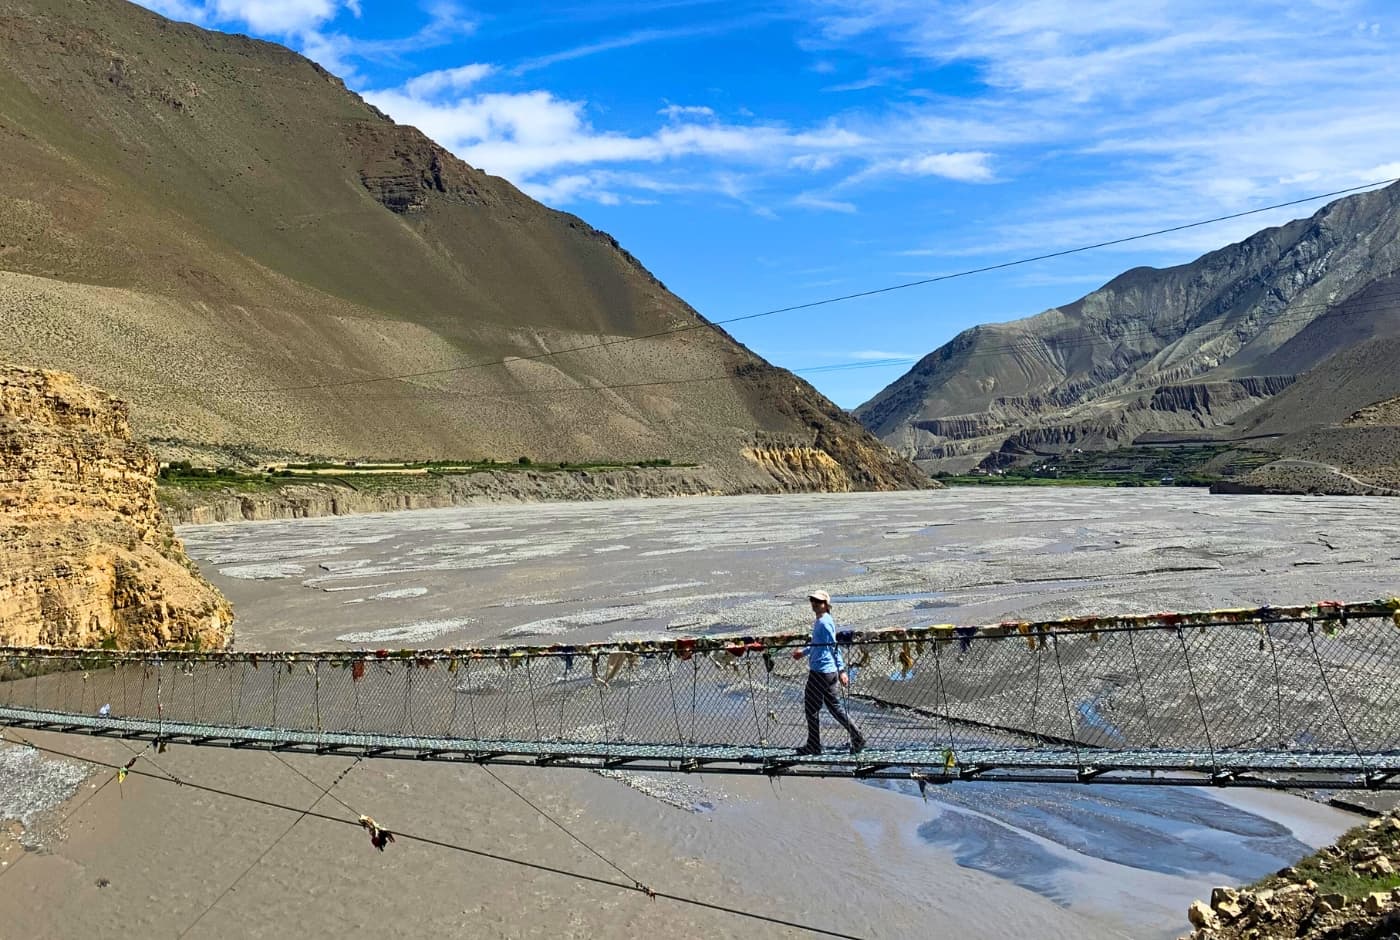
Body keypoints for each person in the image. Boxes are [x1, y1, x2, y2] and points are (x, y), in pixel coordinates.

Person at [792, 590, 865, 756]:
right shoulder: (821, 621)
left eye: (818, 602)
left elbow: (833, 646)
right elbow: (817, 645)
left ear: (826, 605)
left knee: (811, 707)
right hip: (826, 671)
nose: (814, 604)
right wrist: (802, 653)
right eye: (813, 601)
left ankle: (814, 745)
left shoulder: (824, 622)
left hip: (821, 672)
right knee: (834, 707)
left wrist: (842, 670)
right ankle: (857, 736)